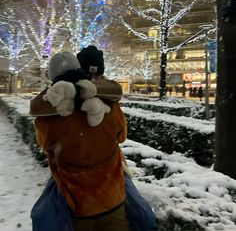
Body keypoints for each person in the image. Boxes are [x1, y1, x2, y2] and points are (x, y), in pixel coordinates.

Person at [31, 47, 158, 231]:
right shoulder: (110, 104)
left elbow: (44, 144)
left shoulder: (47, 117)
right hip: (112, 201)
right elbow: (121, 136)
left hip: (78, 207)